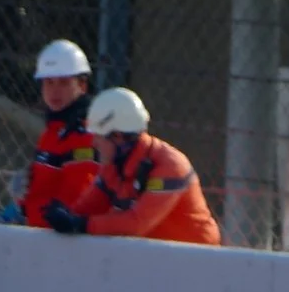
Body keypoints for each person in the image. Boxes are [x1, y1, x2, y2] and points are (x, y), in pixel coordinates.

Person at [41, 88, 222, 247]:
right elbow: (88, 208)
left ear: (118, 137)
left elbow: (136, 224)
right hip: (157, 257)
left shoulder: (170, 166)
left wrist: (81, 224)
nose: (93, 143)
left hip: (197, 261)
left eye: (98, 136)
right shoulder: (113, 166)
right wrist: (65, 215)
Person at [16, 40, 100, 229]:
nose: (54, 90)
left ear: (82, 86)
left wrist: (26, 215)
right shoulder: (53, 131)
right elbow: (43, 189)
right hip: (45, 229)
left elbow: (76, 200)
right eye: (49, 82)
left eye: (63, 82)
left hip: (62, 234)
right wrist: (20, 204)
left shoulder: (86, 133)